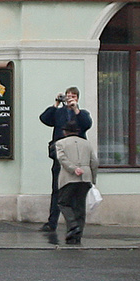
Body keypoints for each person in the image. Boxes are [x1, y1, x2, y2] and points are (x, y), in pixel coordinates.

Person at [38, 87, 92, 233]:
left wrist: (76, 109)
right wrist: (56, 104)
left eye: (73, 96)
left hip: (77, 157)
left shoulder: (82, 114)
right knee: (57, 189)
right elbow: (44, 119)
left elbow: (87, 124)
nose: (69, 99)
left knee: (75, 192)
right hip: (60, 156)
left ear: (78, 98)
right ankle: (52, 223)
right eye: (67, 96)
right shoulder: (59, 112)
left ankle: (75, 225)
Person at [53, 126, 97, 245]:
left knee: (63, 203)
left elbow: (62, 158)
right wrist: (93, 179)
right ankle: (77, 235)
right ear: (77, 131)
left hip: (69, 178)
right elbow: (94, 161)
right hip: (85, 178)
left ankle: (73, 226)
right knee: (80, 207)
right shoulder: (87, 144)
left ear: (65, 131)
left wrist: (73, 169)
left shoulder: (60, 143)